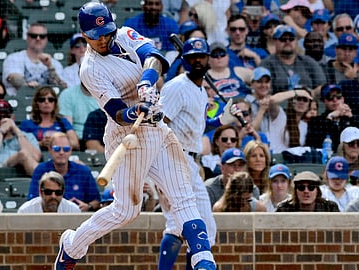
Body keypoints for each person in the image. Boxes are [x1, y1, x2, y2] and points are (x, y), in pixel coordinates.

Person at [54, 3, 216, 270]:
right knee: (126, 210)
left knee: (183, 197)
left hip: (157, 128)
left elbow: (154, 57)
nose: (104, 39)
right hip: (126, 136)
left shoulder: (125, 34)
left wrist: (146, 80)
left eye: (107, 32)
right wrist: (135, 110)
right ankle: (71, 245)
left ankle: (203, 260)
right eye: (97, 36)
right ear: (84, 36)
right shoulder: (90, 69)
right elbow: (116, 111)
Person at [157, 37, 239, 269]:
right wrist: (161, 170)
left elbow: (196, 126)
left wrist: (222, 119)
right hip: (173, 159)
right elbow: (157, 125)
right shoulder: (176, 87)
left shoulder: (200, 90)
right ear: (185, 60)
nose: (197, 61)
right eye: (192, 57)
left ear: (208, 59)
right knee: (178, 224)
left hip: (190, 160)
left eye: (201, 56)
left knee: (203, 227)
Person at [28, 132, 100, 210]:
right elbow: (32, 200)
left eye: (66, 149)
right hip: (48, 217)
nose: (61, 152)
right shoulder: (40, 170)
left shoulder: (83, 171)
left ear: (71, 150)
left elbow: (96, 201)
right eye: (57, 149)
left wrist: (88, 206)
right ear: (50, 150)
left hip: (78, 216)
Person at [305, 84, 359, 153]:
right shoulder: (317, 121)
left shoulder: (356, 118)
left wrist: (352, 118)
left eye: (338, 96)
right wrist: (330, 118)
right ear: (324, 101)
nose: (335, 100)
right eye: (330, 97)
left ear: (343, 99)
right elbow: (314, 143)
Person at [2, 23, 66, 96]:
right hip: (20, 101)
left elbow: (61, 87)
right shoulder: (14, 58)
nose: (38, 39)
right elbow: (13, 78)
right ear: (27, 37)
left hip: (45, 103)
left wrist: (50, 67)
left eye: (42, 36)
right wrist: (27, 87)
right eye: (33, 36)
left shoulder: (54, 63)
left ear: (46, 39)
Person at [260, 25, 326, 96]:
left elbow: (322, 87)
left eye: (291, 39)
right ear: (275, 41)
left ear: (296, 40)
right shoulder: (267, 64)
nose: (287, 42)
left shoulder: (309, 62)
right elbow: (265, 92)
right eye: (283, 39)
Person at [19, 86, 80, 151]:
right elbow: (19, 145)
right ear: (37, 103)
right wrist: (40, 144)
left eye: (50, 100)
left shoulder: (63, 122)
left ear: (55, 103)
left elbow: (75, 144)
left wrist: (56, 143)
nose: (46, 102)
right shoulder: (26, 124)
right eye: (42, 100)